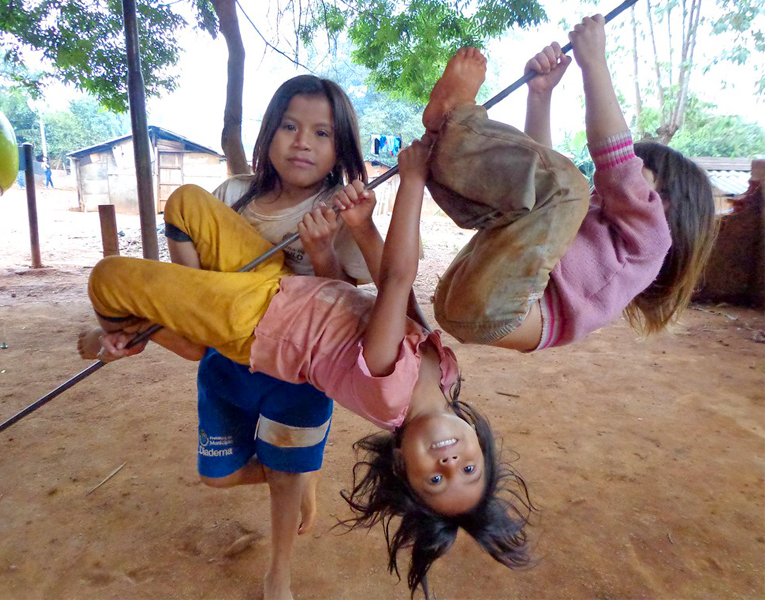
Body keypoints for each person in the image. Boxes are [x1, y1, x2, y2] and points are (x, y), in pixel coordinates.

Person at [83, 137, 534, 595]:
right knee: (186, 204)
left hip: (257, 322)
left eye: (436, 479)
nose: (451, 461)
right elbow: (385, 294)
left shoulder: (389, 390)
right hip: (279, 283)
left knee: (108, 279)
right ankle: (191, 321)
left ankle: (141, 333)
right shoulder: (446, 375)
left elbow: (398, 279)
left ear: (402, 466)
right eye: (469, 470)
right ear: (480, 445)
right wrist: (360, 227)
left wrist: (412, 180)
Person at [79, 74, 373, 600]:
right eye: (290, 126)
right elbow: (195, 280)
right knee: (217, 475)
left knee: (285, 473)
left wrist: (324, 251)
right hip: (229, 340)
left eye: (322, 133)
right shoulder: (235, 194)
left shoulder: (340, 209)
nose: (302, 141)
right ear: (269, 134)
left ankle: (278, 570)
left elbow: (346, 309)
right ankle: (295, 465)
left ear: (340, 148)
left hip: (294, 362)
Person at [424, 16, 716, 353]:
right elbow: (537, 182)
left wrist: (593, 62)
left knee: (567, 188)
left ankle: (453, 120)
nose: (629, 179)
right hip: (475, 293)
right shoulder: (606, 227)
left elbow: (614, 159)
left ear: (669, 202)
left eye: (642, 172)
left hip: (500, 309)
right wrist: (540, 96)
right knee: (544, 190)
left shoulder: (652, 240)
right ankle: (442, 144)